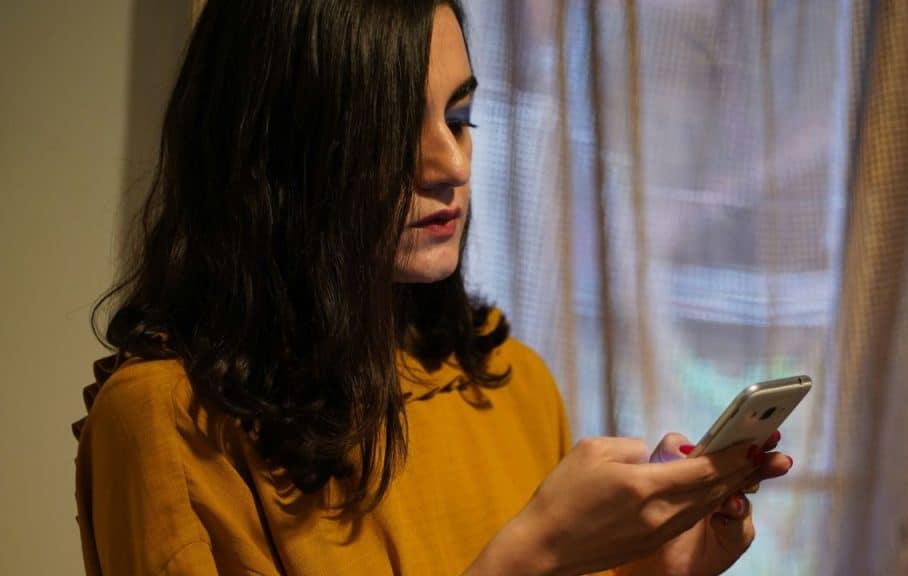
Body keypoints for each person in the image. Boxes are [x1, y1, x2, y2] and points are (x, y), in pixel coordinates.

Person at [72, 1, 794, 574]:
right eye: (390, 132)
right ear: (274, 152)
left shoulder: (506, 379)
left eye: (459, 117)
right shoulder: (169, 421)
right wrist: (531, 556)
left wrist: (651, 570)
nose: (450, 162)